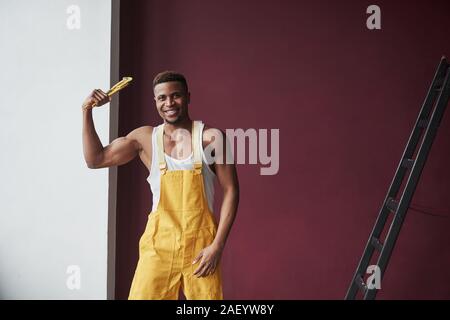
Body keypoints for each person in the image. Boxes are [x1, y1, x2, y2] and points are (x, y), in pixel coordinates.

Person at [81, 71, 239, 300]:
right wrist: (87, 111)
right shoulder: (144, 138)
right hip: (159, 244)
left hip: (201, 246)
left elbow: (232, 191)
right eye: (162, 98)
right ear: (155, 102)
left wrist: (217, 246)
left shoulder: (211, 138)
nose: (169, 103)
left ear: (188, 97)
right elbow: (95, 159)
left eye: (176, 96)